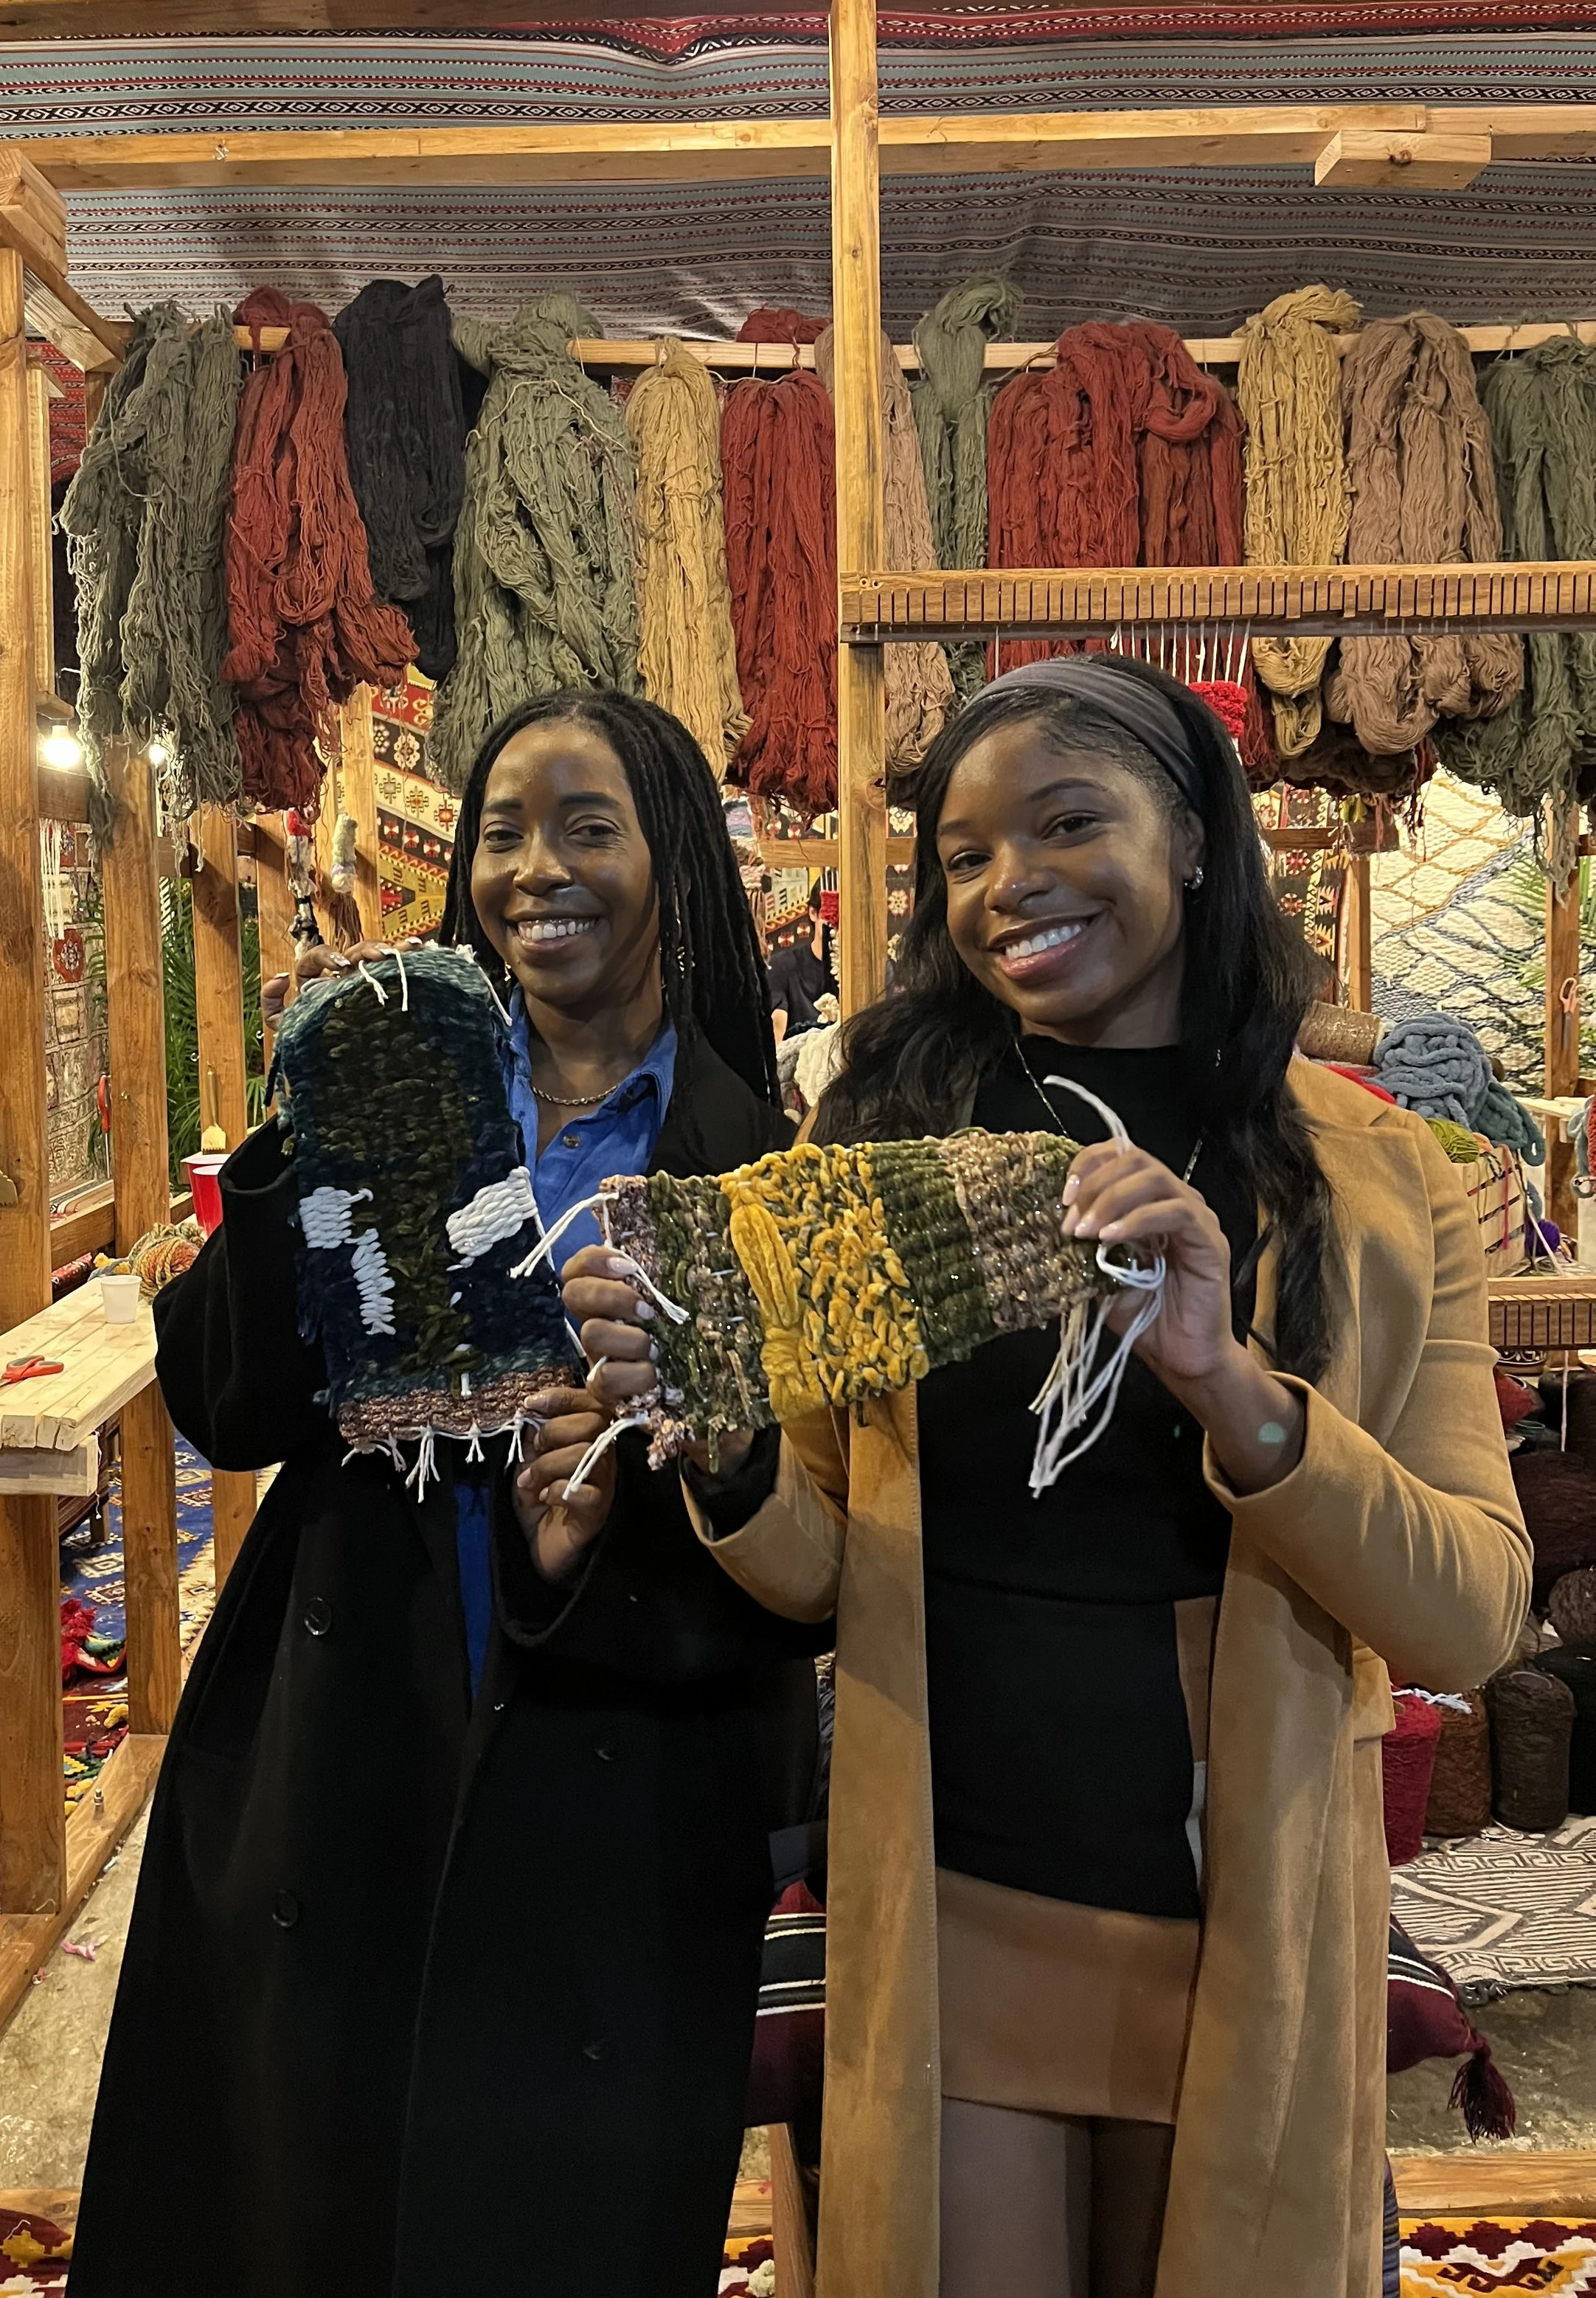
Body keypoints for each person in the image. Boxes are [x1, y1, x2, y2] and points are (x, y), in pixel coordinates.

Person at [553, 656, 1529, 2298]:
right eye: (962, 853)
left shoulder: (1372, 1179)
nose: (1009, 885)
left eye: (1068, 822)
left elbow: (1472, 1613)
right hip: (950, 1892)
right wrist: (710, 1436)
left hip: (1240, 1919)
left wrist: (1233, 1385)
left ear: (1197, 837)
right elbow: (813, 1566)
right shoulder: (868, 1151)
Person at [68, 689, 828, 2298]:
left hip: (615, 1780)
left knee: (555, 2227)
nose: (532, 867)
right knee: (308, 2198)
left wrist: (585, 1549)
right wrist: (305, 1137)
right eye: (500, 830)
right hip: (353, 1731)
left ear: (673, 857)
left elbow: (792, 1561)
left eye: (585, 824)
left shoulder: (751, 1163)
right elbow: (226, 1401)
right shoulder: (403, 1079)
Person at [766, 881, 837, 1041]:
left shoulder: (872, 971)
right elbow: (776, 1027)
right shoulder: (782, 966)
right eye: (831, 918)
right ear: (813, 913)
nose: (838, 927)